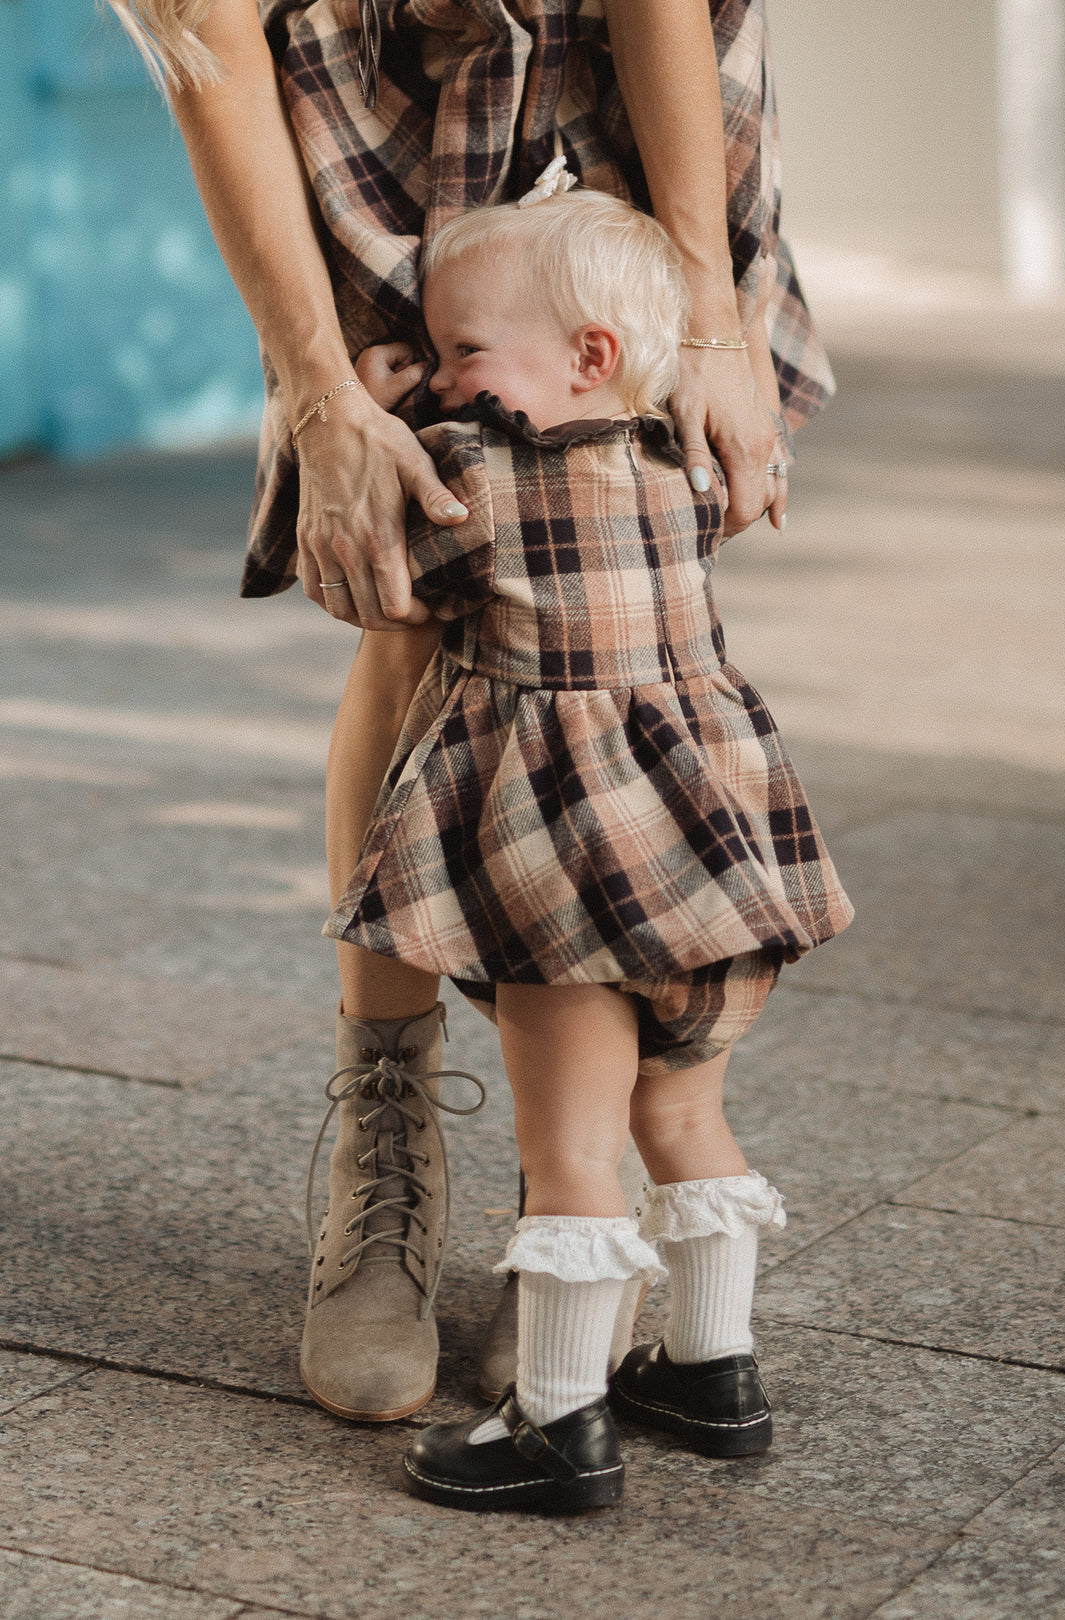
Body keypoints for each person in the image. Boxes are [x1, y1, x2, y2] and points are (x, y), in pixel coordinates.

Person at [107, 0, 835, 1424]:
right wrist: (328, 398)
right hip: (358, 74)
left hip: (620, 45)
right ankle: (403, 1127)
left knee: (626, 502)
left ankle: (565, 1288)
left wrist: (708, 312)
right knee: (417, 579)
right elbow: (207, 33)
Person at [323, 181, 852, 1511]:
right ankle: (713, 1375)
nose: (446, 376)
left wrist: (388, 414)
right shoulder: (682, 469)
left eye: (463, 353)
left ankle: (558, 1424)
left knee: (572, 1150)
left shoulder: (466, 476)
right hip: (710, 860)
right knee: (682, 1110)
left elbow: (380, 571)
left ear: (589, 358)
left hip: (562, 877)